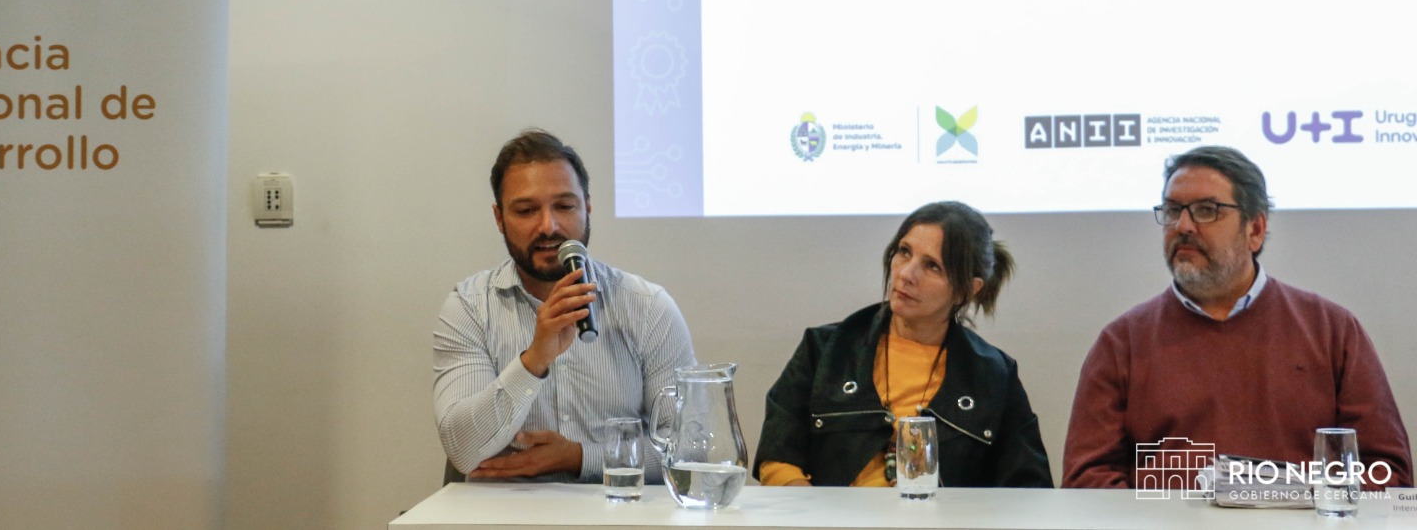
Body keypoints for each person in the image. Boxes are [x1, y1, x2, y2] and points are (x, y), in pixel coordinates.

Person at [1063, 146, 1413, 489]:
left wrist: (1301, 501)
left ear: (1255, 229)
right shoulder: (1122, 342)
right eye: (1172, 210)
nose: (1183, 225)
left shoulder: (1331, 330)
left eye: (1206, 210)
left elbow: (1388, 472)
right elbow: (1086, 479)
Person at [432, 129, 696, 482]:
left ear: (587, 207)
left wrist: (580, 457)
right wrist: (533, 361)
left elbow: (689, 451)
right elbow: (464, 450)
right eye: (526, 210)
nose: (549, 226)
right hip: (505, 510)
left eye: (564, 207)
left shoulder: (647, 307)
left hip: (616, 508)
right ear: (499, 218)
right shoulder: (469, 308)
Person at [755, 201, 1052, 488]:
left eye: (932, 266)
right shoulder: (825, 350)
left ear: (967, 290)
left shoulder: (993, 375)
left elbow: (1028, 488)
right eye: (904, 252)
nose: (906, 274)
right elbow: (777, 458)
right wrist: (817, 512)